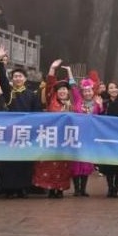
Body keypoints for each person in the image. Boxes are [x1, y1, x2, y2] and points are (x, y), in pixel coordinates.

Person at [0, 47, 41, 198]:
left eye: (20, 76)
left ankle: (23, 188)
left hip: (25, 133)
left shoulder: (32, 95)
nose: (17, 78)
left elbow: (37, 113)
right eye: (15, 76)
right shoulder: (9, 93)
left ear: (25, 79)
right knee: (9, 161)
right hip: (10, 132)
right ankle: (9, 189)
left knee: (24, 161)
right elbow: (2, 79)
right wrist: (0, 61)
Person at [32, 59, 77, 198]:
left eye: (64, 89)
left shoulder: (72, 104)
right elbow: (50, 84)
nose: (62, 91)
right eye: (60, 90)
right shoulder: (51, 99)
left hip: (65, 140)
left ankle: (60, 189)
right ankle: (51, 189)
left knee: (63, 165)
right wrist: (52, 68)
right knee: (49, 164)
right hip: (51, 139)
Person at [71, 77, 102, 196]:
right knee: (76, 162)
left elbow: (100, 119)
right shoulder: (78, 100)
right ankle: (76, 189)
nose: (87, 93)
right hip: (76, 136)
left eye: (89, 91)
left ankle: (83, 189)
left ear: (93, 91)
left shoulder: (97, 103)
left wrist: (100, 106)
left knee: (86, 162)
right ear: (82, 92)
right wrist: (69, 72)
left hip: (89, 137)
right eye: (85, 91)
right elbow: (73, 87)